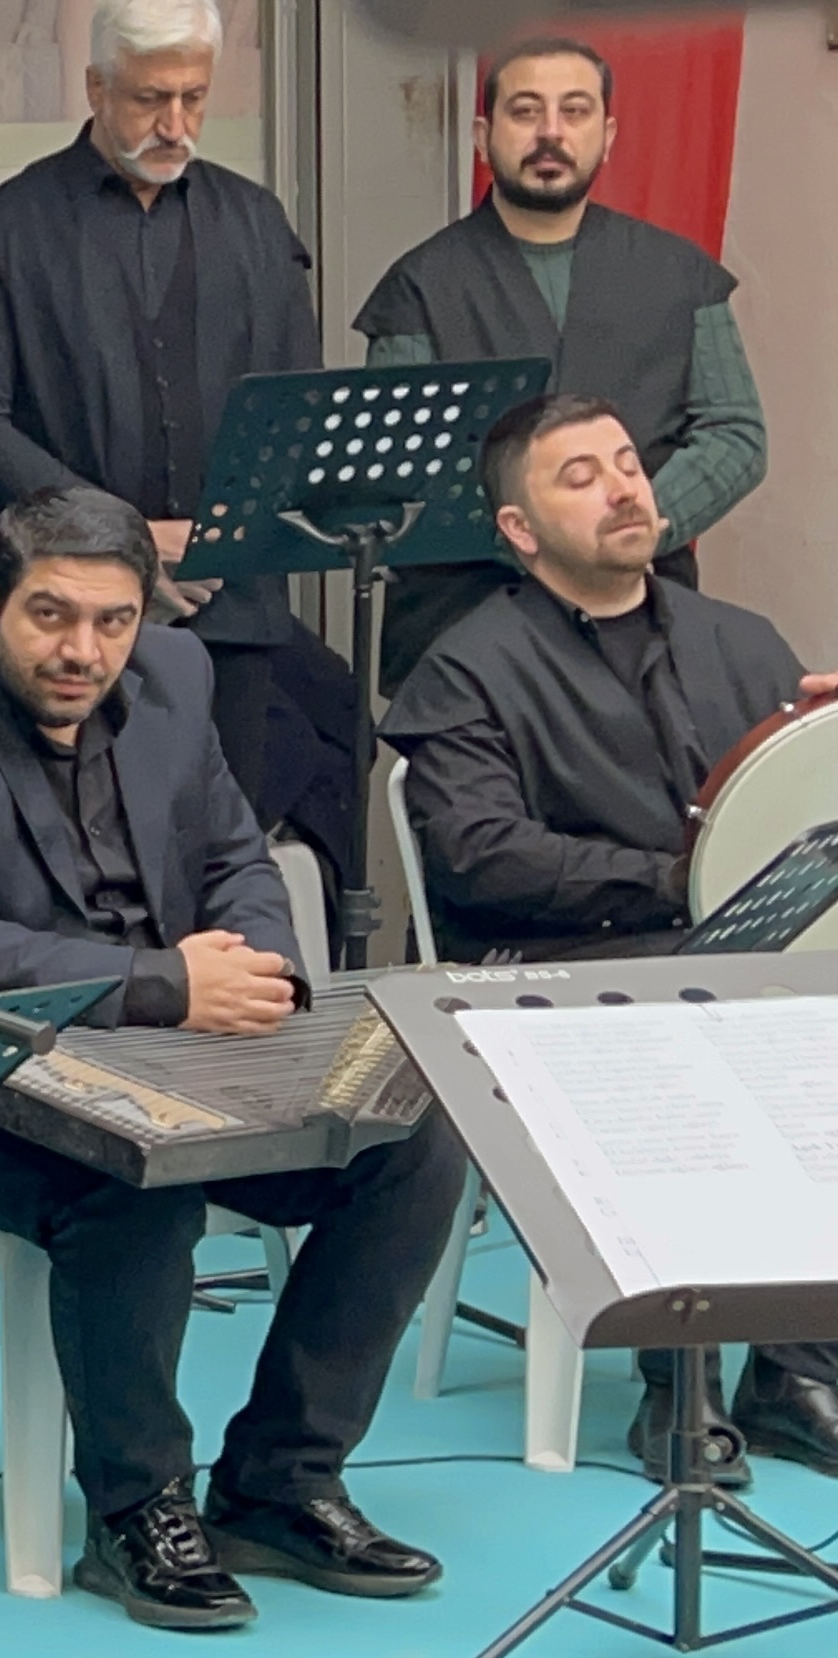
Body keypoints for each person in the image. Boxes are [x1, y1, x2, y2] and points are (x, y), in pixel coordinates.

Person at [0, 485, 464, 1630]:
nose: (84, 650)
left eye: (112, 621)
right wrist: (166, 982)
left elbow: (236, 858)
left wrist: (260, 968)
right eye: (52, 616)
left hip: (176, 1050)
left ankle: (281, 1477)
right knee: (134, 1181)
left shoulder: (177, 674)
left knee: (413, 1138)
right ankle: (138, 1507)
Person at [382, 393, 838, 1483]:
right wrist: (677, 881)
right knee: (706, 1030)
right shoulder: (466, 666)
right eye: (578, 477)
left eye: (627, 463)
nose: (624, 488)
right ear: (519, 529)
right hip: (547, 968)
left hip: (728, 950)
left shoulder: (742, 639)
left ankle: (796, 1370)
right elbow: (481, 856)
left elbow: (792, 807)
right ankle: (683, 1389)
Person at [0, 0, 361, 882]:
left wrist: (215, 541)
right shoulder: (5, 231)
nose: (175, 125)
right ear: (96, 89)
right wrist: (125, 543)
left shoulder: (257, 223)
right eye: (149, 99)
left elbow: (297, 410)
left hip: (231, 608)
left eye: (194, 98)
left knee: (221, 864)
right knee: (78, 868)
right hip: (66, 618)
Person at [353, 37, 765, 686]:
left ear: (607, 136)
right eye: (525, 111)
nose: (550, 132)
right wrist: (547, 542)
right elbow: (399, 465)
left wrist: (632, 527)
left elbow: (735, 434)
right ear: (483, 137)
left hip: (644, 617)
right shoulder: (420, 287)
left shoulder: (682, 274)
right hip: (461, 631)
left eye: (574, 111)